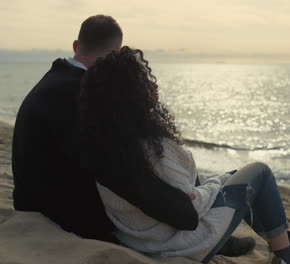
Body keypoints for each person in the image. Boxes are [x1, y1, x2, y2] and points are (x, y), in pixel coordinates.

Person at [79, 46, 290, 264]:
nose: (154, 86)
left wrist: (220, 182)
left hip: (143, 239)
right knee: (260, 173)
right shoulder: (150, 148)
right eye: (146, 80)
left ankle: (273, 247)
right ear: (134, 93)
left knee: (235, 177)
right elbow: (189, 208)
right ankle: (288, 257)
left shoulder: (108, 144)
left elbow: (176, 191)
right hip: (177, 242)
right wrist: (218, 184)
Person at [11, 15, 199, 241]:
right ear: (116, 56)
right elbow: (118, 172)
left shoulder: (55, 80)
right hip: (57, 216)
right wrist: (182, 211)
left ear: (76, 45)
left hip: (32, 201)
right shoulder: (79, 95)